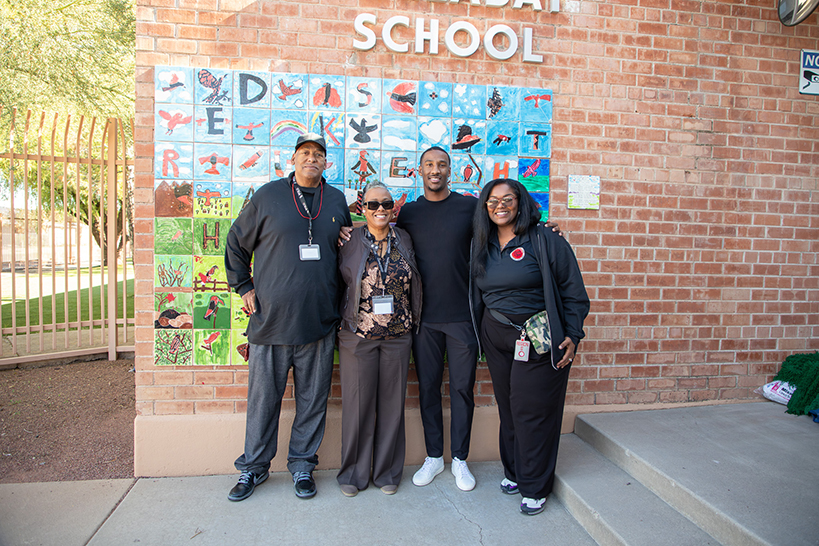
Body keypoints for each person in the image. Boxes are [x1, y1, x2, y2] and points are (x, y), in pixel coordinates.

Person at [224, 133, 352, 502]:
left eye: (318, 155)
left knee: (313, 400)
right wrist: (243, 286)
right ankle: (253, 468)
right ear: (293, 160)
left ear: (326, 163)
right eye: (305, 153)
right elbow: (235, 243)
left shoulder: (336, 200)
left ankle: (301, 467)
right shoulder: (268, 196)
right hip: (270, 322)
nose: (312, 159)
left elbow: (344, 246)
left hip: (319, 321)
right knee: (263, 402)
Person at [470, 178, 590, 516]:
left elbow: (573, 291)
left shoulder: (546, 238)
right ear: (485, 207)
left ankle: (535, 484)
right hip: (496, 335)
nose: (500, 205)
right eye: (492, 201)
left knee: (531, 410)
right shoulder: (482, 242)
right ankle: (514, 471)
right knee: (508, 407)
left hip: (538, 336)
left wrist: (573, 334)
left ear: (521, 203)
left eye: (508, 199)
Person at [394, 146, 481, 491]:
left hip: (462, 318)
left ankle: (460, 459)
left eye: (441, 164)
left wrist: (544, 230)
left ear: (450, 170)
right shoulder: (409, 213)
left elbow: (505, 231)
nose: (435, 170)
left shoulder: (470, 207)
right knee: (428, 388)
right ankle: (434, 456)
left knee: (462, 389)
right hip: (423, 319)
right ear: (419, 170)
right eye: (429, 164)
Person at [336, 181, 422, 497]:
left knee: (392, 406)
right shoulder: (348, 240)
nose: (381, 210)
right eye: (373, 204)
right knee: (357, 407)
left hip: (398, 335)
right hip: (358, 336)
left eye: (386, 203)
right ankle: (353, 474)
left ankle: (386, 472)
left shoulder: (406, 239)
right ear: (363, 208)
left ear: (394, 208)